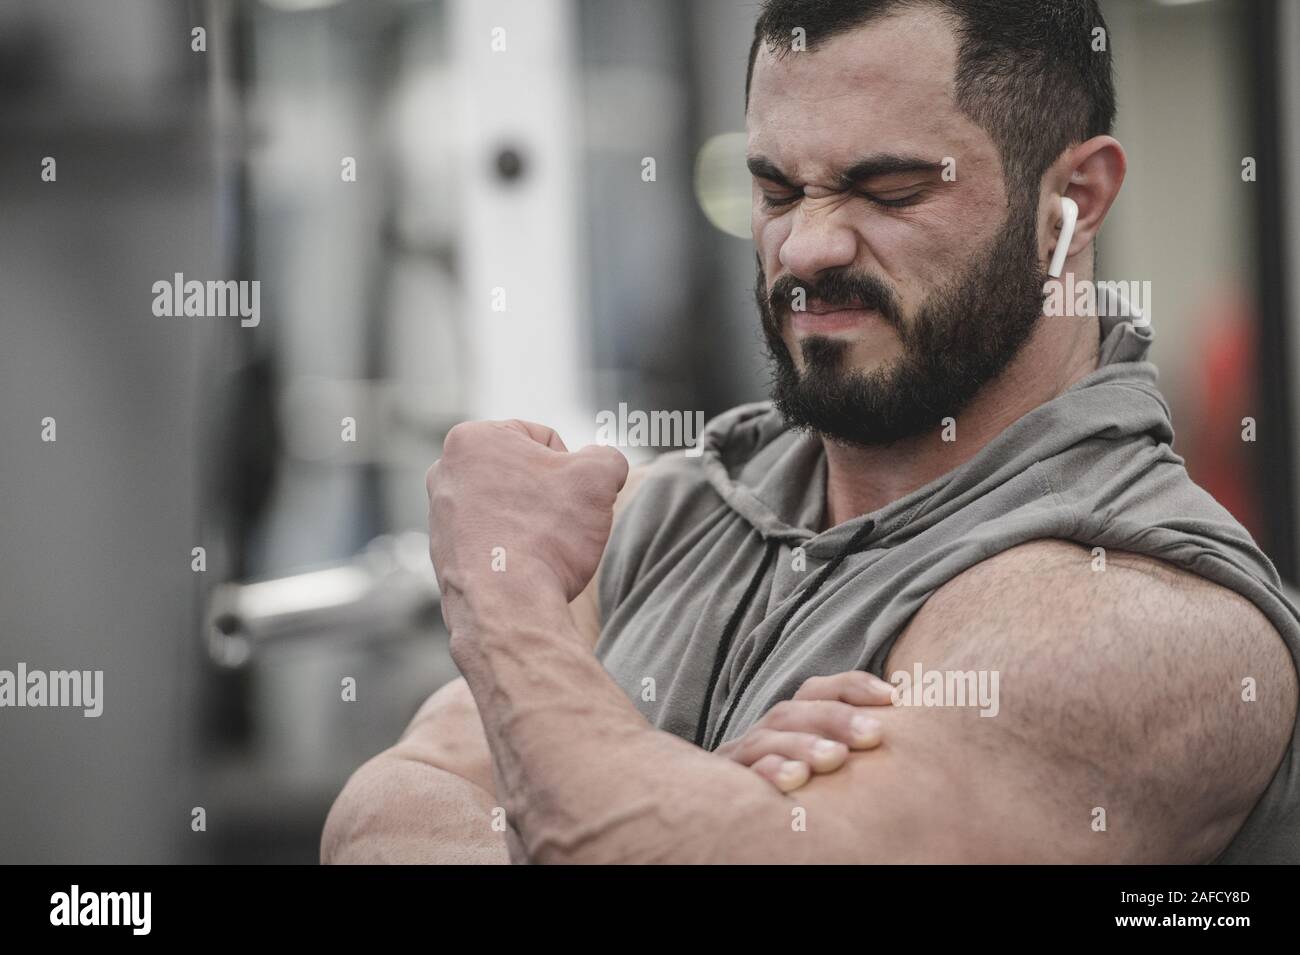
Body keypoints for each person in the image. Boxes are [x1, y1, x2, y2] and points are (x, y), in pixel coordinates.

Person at [322, 0, 1299, 864]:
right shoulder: (664, 515)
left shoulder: (1136, 613)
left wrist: (507, 606)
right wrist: (690, 794)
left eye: (890, 189)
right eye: (779, 190)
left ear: (1072, 203)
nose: (808, 246)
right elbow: (377, 821)